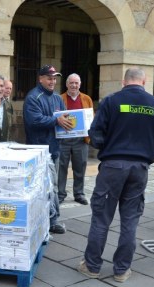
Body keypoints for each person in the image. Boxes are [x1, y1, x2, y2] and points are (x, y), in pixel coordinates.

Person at [78, 68, 154, 282]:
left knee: (101, 218)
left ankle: (92, 266)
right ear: (144, 81)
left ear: (123, 81)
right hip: (139, 168)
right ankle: (121, 270)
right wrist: (148, 152)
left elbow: (95, 133)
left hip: (112, 166)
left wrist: (108, 146)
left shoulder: (112, 101)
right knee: (130, 220)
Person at [23, 65, 72, 234]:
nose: (52, 81)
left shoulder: (58, 98)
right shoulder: (33, 97)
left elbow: (62, 119)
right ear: (40, 79)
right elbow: (33, 121)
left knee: (54, 186)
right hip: (39, 151)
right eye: (49, 78)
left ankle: (53, 220)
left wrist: (70, 124)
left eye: (54, 78)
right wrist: (56, 120)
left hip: (54, 149)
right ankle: (39, 220)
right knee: (39, 187)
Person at [58, 73, 94, 205]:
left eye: (76, 83)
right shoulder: (59, 99)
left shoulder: (86, 99)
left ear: (80, 84)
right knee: (61, 167)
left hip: (81, 140)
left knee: (80, 167)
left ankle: (79, 193)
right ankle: (60, 194)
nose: (74, 85)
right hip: (64, 140)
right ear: (67, 84)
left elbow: (91, 117)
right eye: (71, 83)